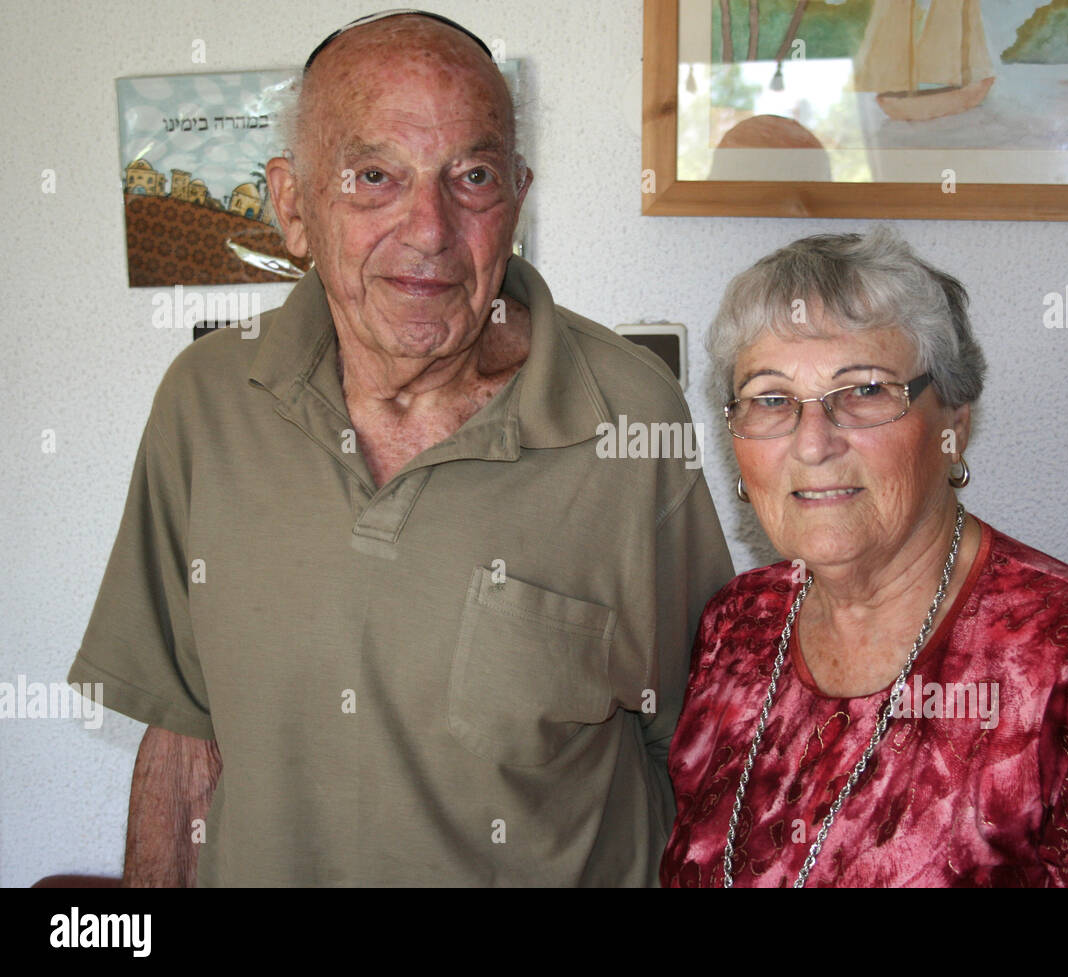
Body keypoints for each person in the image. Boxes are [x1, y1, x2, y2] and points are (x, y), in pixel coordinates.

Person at [69, 10, 733, 886]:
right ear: (292, 206)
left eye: (475, 176)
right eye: (375, 176)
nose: (429, 227)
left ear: (518, 202)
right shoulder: (206, 404)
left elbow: (707, 756)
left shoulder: (627, 419)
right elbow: (185, 737)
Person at [660, 229, 1068, 887]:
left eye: (865, 389)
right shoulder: (738, 624)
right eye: (771, 397)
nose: (813, 442)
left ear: (953, 423)